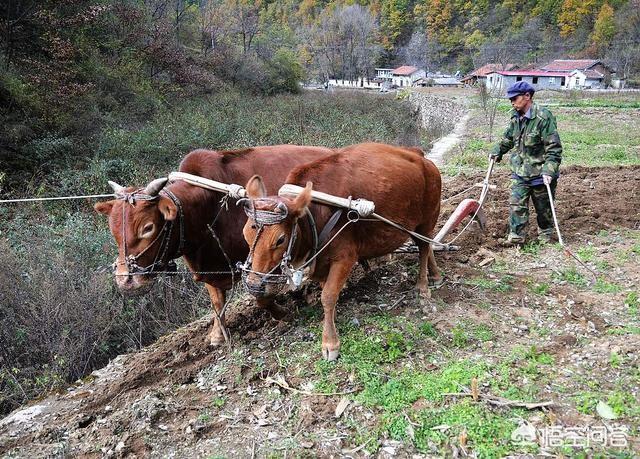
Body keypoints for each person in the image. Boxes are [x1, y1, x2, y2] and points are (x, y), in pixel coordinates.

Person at [489, 81, 563, 245]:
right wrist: (497, 151)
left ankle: (545, 235)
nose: (512, 102)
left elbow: (554, 148)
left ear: (527, 96)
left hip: (540, 173)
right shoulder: (515, 117)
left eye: (515, 98)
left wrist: (549, 171)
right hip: (520, 172)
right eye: (511, 99)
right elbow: (508, 139)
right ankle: (517, 237)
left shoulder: (543, 117)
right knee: (517, 205)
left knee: (544, 209)